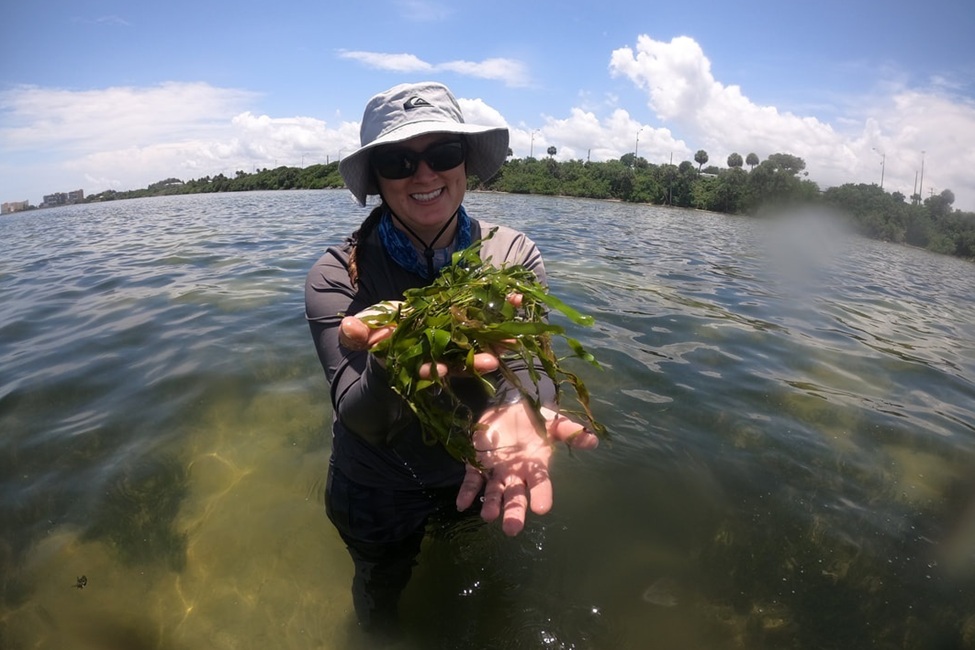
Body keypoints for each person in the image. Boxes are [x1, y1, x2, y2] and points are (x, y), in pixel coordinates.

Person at [304, 81, 599, 634]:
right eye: (397, 161)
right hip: (374, 486)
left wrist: (524, 406)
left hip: (476, 462)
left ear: (464, 162)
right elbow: (360, 417)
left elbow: (530, 362)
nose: (424, 174)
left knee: (461, 586)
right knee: (380, 593)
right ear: (375, 178)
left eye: (443, 153)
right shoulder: (336, 275)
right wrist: (389, 361)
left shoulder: (511, 255)